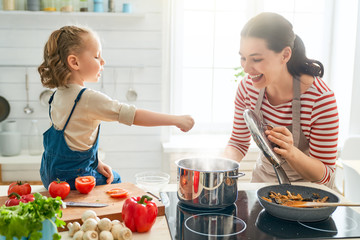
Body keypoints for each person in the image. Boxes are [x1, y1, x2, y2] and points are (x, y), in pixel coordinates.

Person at [38, 25, 195, 190]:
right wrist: (176, 120)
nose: (103, 61)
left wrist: (96, 162)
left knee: (111, 175)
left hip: (50, 175)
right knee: (115, 180)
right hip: (72, 180)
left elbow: (74, 137)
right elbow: (133, 116)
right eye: (97, 56)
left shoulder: (58, 94)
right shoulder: (87, 98)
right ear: (74, 62)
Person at [223, 12, 339, 188]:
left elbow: (326, 175)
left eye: (256, 59)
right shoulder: (247, 88)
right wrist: (221, 170)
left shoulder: (320, 100)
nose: (246, 68)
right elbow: (238, 142)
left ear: (285, 55)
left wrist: (291, 152)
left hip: (309, 195)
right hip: (262, 186)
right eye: (243, 58)